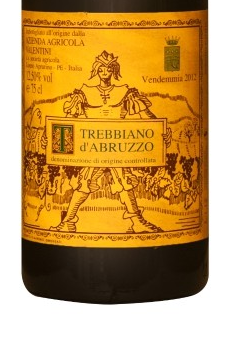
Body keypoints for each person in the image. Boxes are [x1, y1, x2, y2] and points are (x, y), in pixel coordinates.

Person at [50, 50, 169, 234]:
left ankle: (136, 222)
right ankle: (68, 222)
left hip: (118, 148)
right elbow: (68, 120)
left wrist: (163, 131)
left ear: (114, 70)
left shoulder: (125, 92)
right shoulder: (84, 93)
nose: (104, 72)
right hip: (92, 150)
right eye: (101, 69)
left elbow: (147, 115)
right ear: (96, 70)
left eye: (108, 68)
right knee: (85, 182)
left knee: (122, 181)